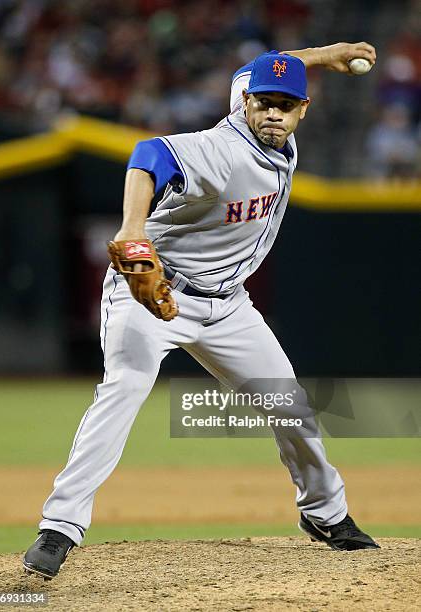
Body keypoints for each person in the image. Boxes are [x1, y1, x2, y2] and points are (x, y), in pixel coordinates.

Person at [23, 42, 379, 581]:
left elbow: (279, 62)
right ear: (246, 104)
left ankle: (325, 515)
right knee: (124, 389)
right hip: (153, 291)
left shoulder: (267, 108)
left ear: (304, 109)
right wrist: (132, 230)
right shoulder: (223, 148)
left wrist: (328, 54)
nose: (273, 113)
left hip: (229, 304)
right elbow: (149, 155)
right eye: (264, 102)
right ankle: (59, 527)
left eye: (286, 104)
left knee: (290, 403)